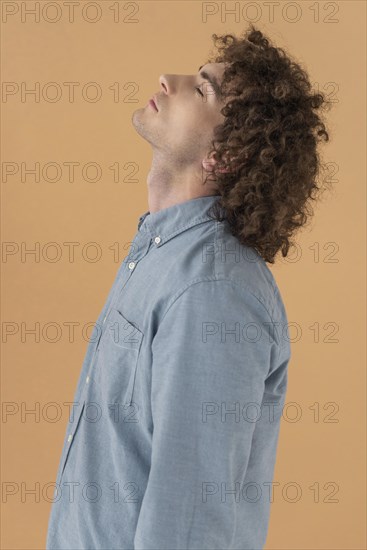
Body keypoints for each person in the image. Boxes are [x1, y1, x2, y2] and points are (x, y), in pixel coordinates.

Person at [46, 23, 331, 549]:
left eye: (202, 90)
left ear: (226, 156)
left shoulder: (213, 292)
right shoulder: (161, 255)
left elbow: (190, 524)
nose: (168, 79)